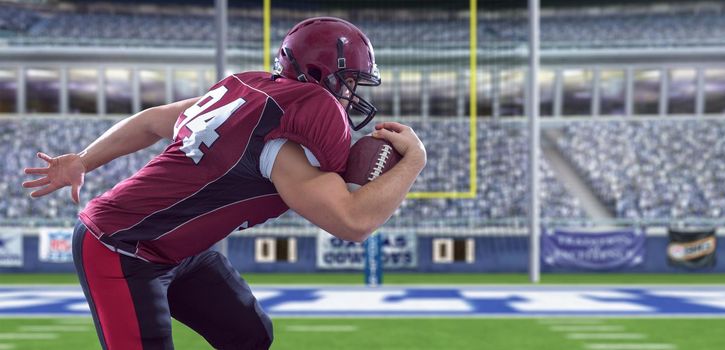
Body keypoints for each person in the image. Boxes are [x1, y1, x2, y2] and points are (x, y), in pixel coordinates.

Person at [21, 17, 426, 350]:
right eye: (348, 83)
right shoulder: (280, 145)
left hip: (178, 249)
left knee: (248, 336)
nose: (352, 96)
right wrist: (414, 162)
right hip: (119, 247)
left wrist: (84, 160)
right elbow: (352, 222)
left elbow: (150, 120)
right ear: (320, 75)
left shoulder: (249, 102)